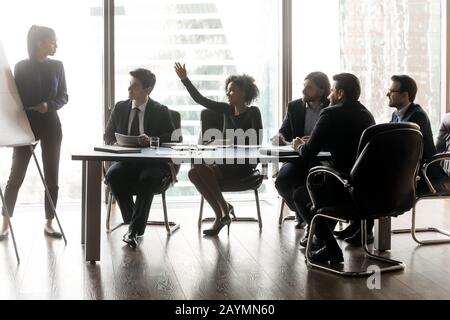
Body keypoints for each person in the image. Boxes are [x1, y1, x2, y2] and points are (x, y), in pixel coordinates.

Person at [336, 75, 450, 244]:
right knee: (364, 174)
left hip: (426, 173)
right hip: (408, 169)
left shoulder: (417, 116)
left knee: (372, 181)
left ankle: (364, 228)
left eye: (391, 91)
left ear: (405, 95)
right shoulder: (398, 115)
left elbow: (409, 152)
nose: (387, 94)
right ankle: (361, 226)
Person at [292, 73, 375, 263]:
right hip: (370, 189)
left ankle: (329, 247)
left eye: (332, 91)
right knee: (320, 192)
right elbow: (351, 142)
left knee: (300, 195)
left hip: (344, 186)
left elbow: (308, 153)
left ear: (340, 93)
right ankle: (319, 239)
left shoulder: (330, 113)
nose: (329, 96)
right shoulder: (366, 114)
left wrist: (298, 145)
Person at [174, 62, 262, 236]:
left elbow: (256, 141)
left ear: (243, 93)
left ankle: (223, 211)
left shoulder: (253, 112)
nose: (228, 93)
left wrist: (223, 141)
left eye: (232, 90)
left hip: (243, 165)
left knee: (198, 166)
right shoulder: (226, 110)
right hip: (223, 164)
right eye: (227, 90)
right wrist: (185, 79)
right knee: (193, 172)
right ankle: (222, 212)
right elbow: (200, 99)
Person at [1, 25, 68, 240]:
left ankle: (49, 223)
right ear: (40, 43)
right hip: (25, 126)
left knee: (52, 178)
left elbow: (64, 96)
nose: (56, 45)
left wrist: (49, 105)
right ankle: (5, 223)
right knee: (16, 177)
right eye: (53, 41)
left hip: (51, 125)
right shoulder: (20, 67)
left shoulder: (58, 66)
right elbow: (12, 100)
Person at [104, 68, 175, 248]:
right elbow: (108, 136)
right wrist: (116, 145)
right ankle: (133, 224)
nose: (129, 89)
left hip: (153, 166)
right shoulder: (120, 108)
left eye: (134, 86)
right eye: (130, 84)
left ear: (147, 89)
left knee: (148, 178)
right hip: (127, 163)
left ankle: (133, 230)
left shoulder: (160, 110)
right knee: (112, 175)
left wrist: (151, 140)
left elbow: (174, 137)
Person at [272, 72, 330, 229]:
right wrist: (279, 137)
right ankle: (302, 212)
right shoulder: (294, 106)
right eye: (304, 87)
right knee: (282, 181)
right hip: (298, 157)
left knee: (314, 181)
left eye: (309, 88)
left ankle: (313, 219)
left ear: (322, 91)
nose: (304, 91)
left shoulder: (332, 108)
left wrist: (313, 141)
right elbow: (284, 131)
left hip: (322, 159)